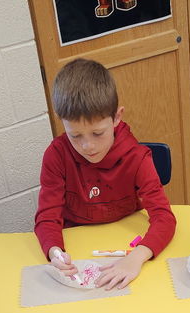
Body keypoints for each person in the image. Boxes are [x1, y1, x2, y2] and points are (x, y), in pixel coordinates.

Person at [36, 58, 175, 290]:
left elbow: (164, 218)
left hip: (126, 243)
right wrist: (54, 251)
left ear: (117, 118)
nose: (88, 146)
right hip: (78, 248)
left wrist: (136, 258)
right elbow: (47, 217)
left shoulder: (137, 157)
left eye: (98, 133)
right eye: (76, 135)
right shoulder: (56, 156)